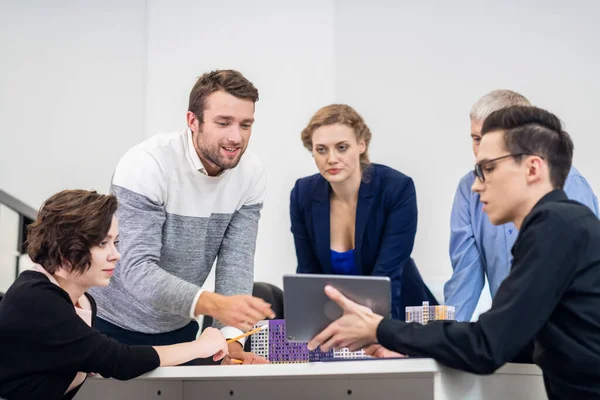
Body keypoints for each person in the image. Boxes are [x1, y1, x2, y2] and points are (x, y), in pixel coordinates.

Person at [307, 106, 600, 399]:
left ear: (533, 168)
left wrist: (381, 329)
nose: (475, 185)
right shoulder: (564, 224)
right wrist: (406, 343)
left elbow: (487, 346)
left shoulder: (554, 227)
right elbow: (519, 341)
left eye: (488, 169)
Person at [89, 69, 274, 365]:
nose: (235, 137)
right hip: (111, 325)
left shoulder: (251, 174)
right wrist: (213, 304)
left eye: (245, 125)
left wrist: (229, 338)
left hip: (180, 330)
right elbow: (136, 269)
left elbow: (236, 264)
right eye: (223, 123)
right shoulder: (147, 165)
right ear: (193, 121)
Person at [0, 190, 229, 400]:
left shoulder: (84, 302)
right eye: (102, 243)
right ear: (66, 249)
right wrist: (199, 346)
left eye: (115, 242)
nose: (116, 255)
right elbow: (118, 360)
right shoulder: (36, 299)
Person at [445, 90, 599, 321]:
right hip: (511, 333)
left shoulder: (569, 186)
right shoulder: (469, 189)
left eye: (487, 139)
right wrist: (444, 335)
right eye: (475, 139)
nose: (479, 152)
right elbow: (464, 277)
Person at [290, 104, 436, 320]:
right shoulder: (303, 193)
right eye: (321, 149)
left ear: (361, 145)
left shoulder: (396, 188)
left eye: (341, 147)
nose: (331, 158)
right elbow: (308, 276)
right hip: (335, 322)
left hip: (400, 318)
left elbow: (388, 276)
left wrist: (386, 339)